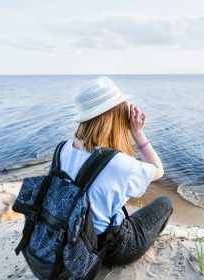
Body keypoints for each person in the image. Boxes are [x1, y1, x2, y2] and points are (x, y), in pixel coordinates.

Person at [58, 76, 173, 265]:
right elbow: (159, 170)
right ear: (115, 116)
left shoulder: (62, 149)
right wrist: (138, 133)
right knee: (165, 203)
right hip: (110, 248)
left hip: (69, 236)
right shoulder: (118, 163)